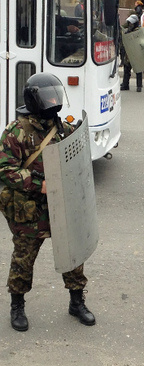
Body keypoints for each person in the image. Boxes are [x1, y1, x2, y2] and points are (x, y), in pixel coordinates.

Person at [0, 73, 96, 332]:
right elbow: (5, 169)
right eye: (48, 97)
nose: (53, 100)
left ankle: (76, 302)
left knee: (72, 253)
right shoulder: (16, 132)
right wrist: (36, 183)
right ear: (34, 100)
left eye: (55, 95)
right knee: (23, 259)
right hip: (30, 209)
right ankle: (17, 306)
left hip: (59, 205)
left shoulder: (61, 127)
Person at [120, 14, 143, 92]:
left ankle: (139, 86)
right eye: (129, 23)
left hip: (136, 53)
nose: (130, 24)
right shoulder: (128, 31)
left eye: (132, 23)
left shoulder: (139, 31)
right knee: (126, 70)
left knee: (138, 70)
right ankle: (125, 84)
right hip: (128, 53)